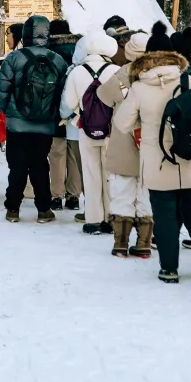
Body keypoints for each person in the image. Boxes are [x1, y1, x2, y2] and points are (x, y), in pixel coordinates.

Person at [113, 21, 191, 284]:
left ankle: (170, 268)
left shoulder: (138, 87)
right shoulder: (189, 80)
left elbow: (121, 123)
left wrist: (143, 121)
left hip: (157, 162)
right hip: (188, 158)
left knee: (165, 216)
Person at [0, 15, 68, 224]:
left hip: (17, 125)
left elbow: (0, 88)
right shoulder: (57, 60)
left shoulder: (15, 58)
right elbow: (63, 93)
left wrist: (8, 110)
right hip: (44, 125)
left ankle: (13, 209)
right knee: (40, 166)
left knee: (17, 166)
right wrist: (54, 115)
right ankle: (44, 210)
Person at [60, 29, 118, 234]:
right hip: (112, 131)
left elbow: (68, 103)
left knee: (91, 172)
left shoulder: (76, 72)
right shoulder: (116, 71)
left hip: (86, 129)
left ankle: (93, 219)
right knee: (109, 174)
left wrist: (79, 115)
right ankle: (111, 217)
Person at [103, 31, 153, 255]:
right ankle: (143, 243)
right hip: (151, 142)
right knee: (146, 193)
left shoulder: (121, 74)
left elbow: (103, 96)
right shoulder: (159, 76)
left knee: (122, 190)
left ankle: (120, 243)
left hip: (124, 140)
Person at [47, 19, 83, 211]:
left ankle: (56, 195)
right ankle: (73, 195)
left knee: (57, 152)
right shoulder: (79, 51)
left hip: (54, 108)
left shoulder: (49, 51)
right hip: (77, 110)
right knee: (74, 154)